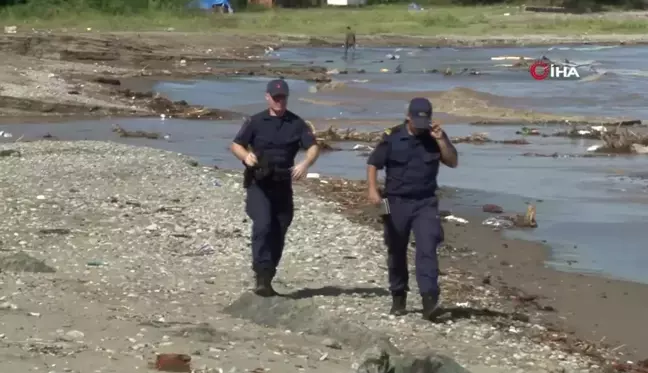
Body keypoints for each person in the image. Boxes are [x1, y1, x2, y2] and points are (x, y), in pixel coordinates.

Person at [365, 97, 458, 320]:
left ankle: (429, 301)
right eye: (416, 120)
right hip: (395, 201)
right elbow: (373, 163)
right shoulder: (392, 137)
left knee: (428, 247)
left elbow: (453, 161)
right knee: (396, 250)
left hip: (425, 202)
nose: (420, 125)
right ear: (408, 117)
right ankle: (398, 296)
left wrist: (442, 140)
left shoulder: (435, 137)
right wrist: (372, 190)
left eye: (424, 121)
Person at [230, 79, 320, 297]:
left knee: (279, 229)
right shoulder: (255, 121)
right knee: (263, 225)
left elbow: (313, 147)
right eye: (276, 97)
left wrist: (305, 164)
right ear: (268, 97)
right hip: (258, 183)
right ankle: (260, 274)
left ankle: (268, 276)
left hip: (282, 185)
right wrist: (245, 156)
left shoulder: (297, 123)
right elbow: (236, 144)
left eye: (283, 98)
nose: (279, 101)